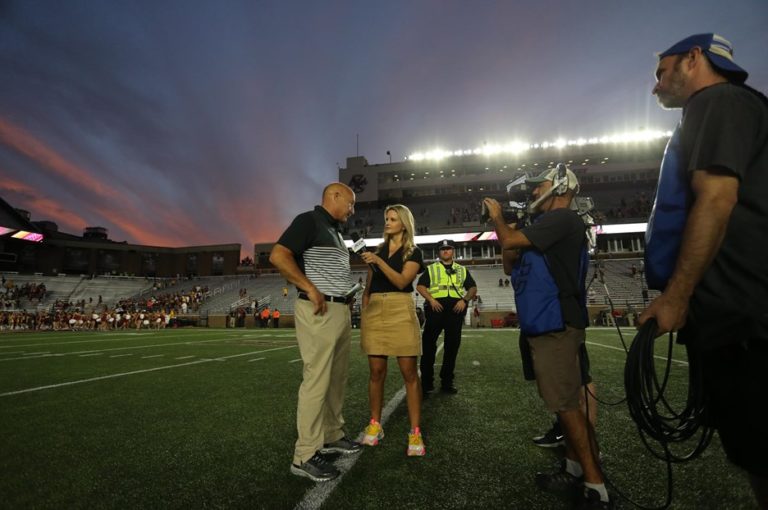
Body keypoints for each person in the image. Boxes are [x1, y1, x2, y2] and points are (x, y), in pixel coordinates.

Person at [639, 33, 767, 508]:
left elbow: (716, 199)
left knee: (760, 449)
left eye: (662, 71)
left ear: (694, 59)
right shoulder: (733, 106)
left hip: (749, 317)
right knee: (754, 454)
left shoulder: (718, 102)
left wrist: (676, 296)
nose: (656, 88)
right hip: (741, 313)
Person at [484, 165, 609, 509]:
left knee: (566, 405)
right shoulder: (542, 226)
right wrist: (507, 230)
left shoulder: (562, 219)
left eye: (540, 187)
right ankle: (573, 469)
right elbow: (510, 263)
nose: (534, 192)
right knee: (565, 401)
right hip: (545, 322)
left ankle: (595, 485)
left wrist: (498, 218)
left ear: (561, 187)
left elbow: (509, 242)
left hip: (557, 324)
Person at [269, 182, 361, 483]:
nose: (352, 209)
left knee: (336, 378)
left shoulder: (335, 230)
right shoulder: (308, 220)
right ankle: (304, 454)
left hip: (339, 309)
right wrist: (309, 287)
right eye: (350, 202)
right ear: (333, 196)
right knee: (317, 380)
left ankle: (332, 435)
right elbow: (279, 255)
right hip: (318, 310)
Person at [358, 204, 426, 457]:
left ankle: (415, 431)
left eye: (392, 219)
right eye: (386, 218)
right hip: (375, 309)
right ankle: (375, 425)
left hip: (400, 308)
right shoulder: (378, 250)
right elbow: (369, 284)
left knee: (409, 373)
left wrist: (377, 261)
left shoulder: (414, 252)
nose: (387, 222)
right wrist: (366, 304)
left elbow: (401, 281)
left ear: (404, 223)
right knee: (376, 371)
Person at [416, 239, 477, 395]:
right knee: (428, 346)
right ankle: (426, 383)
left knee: (452, 347)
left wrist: (465, 300)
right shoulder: (432, 269)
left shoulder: (462, 269)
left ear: (453, 251)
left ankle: (447, 382)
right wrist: (431, 300)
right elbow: (420, 286)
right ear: (439, 252)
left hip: (455, 311)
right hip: (435, 309)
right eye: (443, 249)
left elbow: (472, 287)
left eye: (448, 248)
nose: (445, 251)